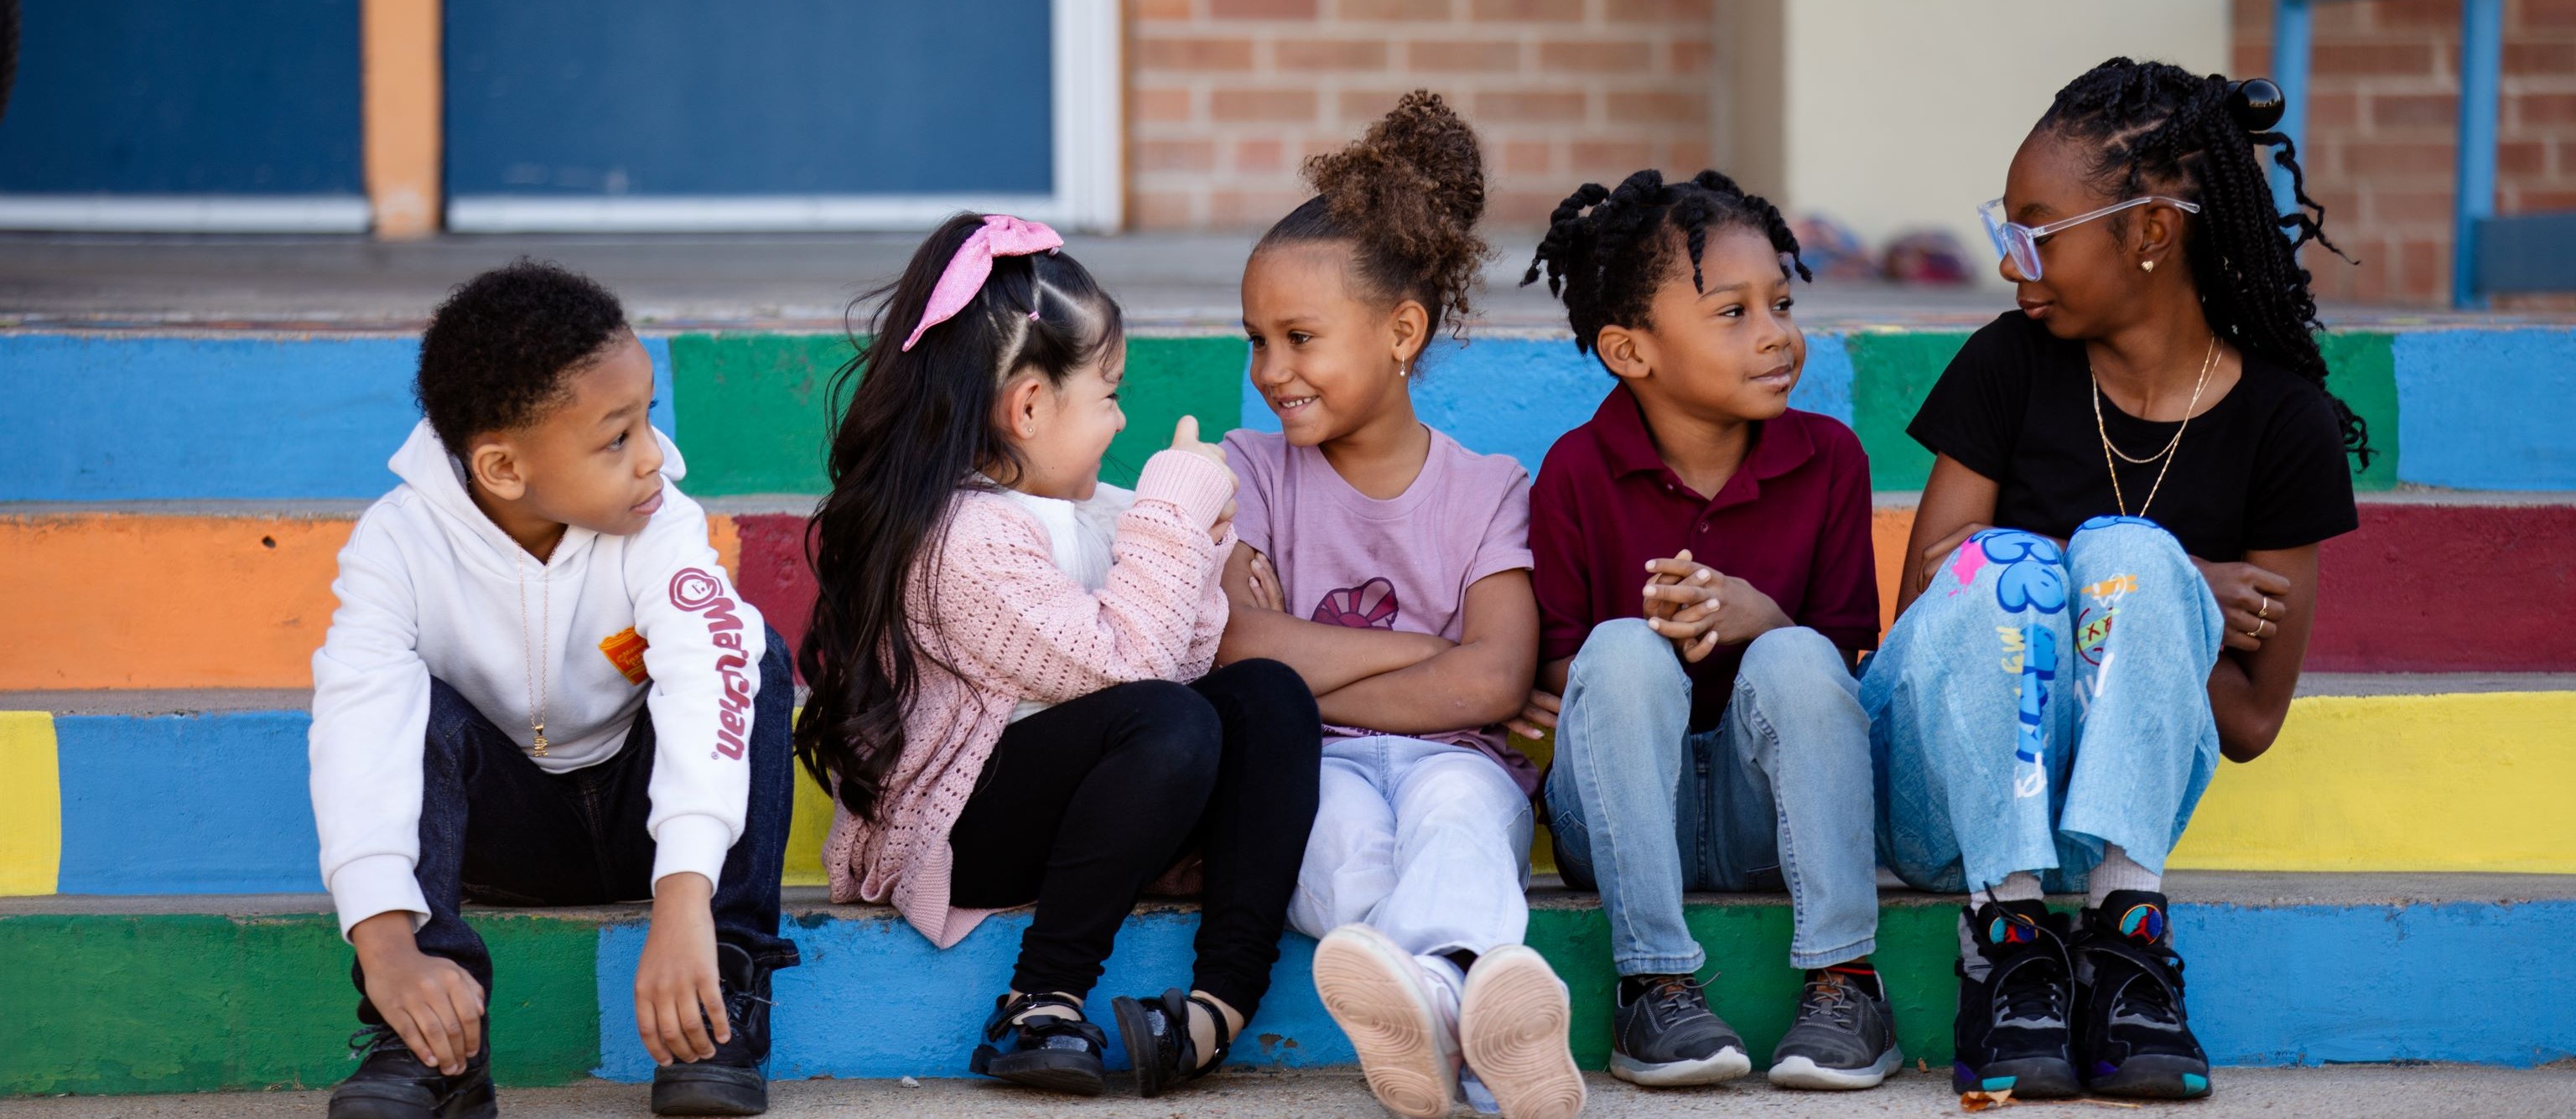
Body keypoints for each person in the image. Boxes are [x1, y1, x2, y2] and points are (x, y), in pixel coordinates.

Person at [1867, 60, 2366, 1101]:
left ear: (2150, 234)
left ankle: (2127, 945)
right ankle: (2003, 940)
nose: (2011, 264)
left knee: (2135, 560)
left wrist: (2155, 586)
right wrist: (2162, 579)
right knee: (2021, 565)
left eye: (2037, 231)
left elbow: (2249, 720)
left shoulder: (2283, 424)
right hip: (1946, 803)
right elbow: (1933, 610)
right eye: (2006, 229)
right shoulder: (2009, 363)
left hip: (2101, 820)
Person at [802, 214, 1322, 1100]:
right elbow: (1133, 670)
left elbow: (1187, 658)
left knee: (1268, 694)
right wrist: (1169, 520)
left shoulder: (1091, 508)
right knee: (1166, 718)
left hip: (1095, 804)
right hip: (968, 829)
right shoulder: (960, 538)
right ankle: (1041, 996)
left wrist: (1195, 546)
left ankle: (1218, 1005)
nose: (1121, 421)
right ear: (1032, 406)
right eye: (1109, 394)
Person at [310, 261, 796, 1118]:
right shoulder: (397, 545)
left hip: (644, 818)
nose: (654, 457)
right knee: (413, 706)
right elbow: (359, 726)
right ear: (503, 468)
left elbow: (703, 681)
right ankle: (430, 1042)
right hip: (512, 832)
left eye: (648, 417)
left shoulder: (661, 522)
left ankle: (722, 983)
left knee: (747, 653)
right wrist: (386, 947)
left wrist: (685, 898)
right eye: (616, 438)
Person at [1218, 91, 1582, 1119]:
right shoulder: (1250, 471)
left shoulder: (1487, 488)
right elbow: (1238, 646)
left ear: (1401, 332)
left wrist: (1312, 660)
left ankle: (1430, 1005)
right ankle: (1471, 1007)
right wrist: (1428, 649)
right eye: (1256, 342)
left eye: (1298, 338)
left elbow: (1497, 676)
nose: (1271, 371)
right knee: (1335, 846)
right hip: (1310, 765)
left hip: (1461, 761)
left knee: (1458, 819)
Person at [1514, 168, 1898, 1091]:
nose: (1775, 333)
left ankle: (1847, 977)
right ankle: (1653, 984)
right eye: (1733, 312)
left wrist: (1760, 621)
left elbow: (1846, 665)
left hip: (1764, 815)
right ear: (1630, 351)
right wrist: (1650, 639)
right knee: (1618, 650)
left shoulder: (1830, 461)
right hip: (1618, 817)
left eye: (1781, 302)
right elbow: (1561, 677)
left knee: (1798, 653)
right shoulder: (1575, 472)